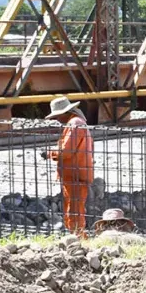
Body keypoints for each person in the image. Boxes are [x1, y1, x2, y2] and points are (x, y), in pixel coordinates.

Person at [41, 96, 94, 238]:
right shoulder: (76, 122)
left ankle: (79, 240)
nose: (57, 119)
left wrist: (50, 153)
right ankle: (77, 238)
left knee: (74, 211)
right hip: (75, 174)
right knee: (73, 209)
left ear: (64, 113)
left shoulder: (74, 124)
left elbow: (66, 151)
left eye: (58, 116)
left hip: (75, 174)